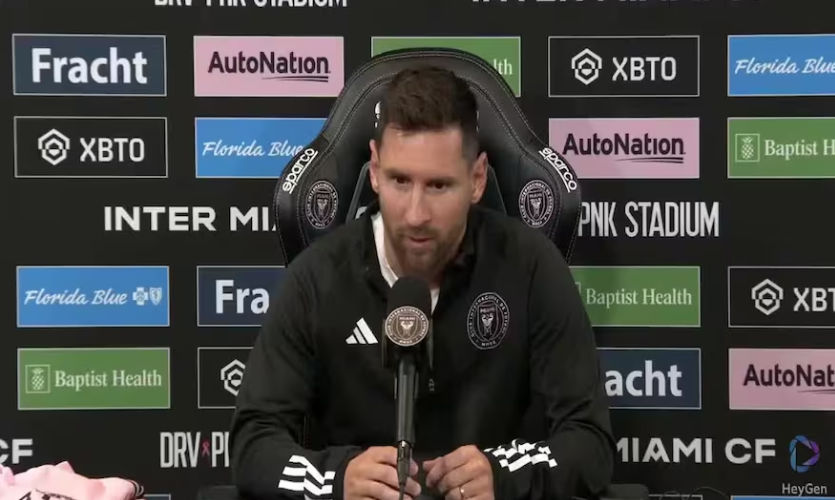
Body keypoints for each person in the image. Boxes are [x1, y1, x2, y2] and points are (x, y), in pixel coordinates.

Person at [230, 65, 615, 500]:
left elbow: (590, 443)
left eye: (438, 186)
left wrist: (502, 476)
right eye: (399, 180)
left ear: (477, 179)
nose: (416, 214)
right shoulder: (316, 278)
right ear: (374, 170)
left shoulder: (531, 267)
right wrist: (337, 479)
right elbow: (252, 446)